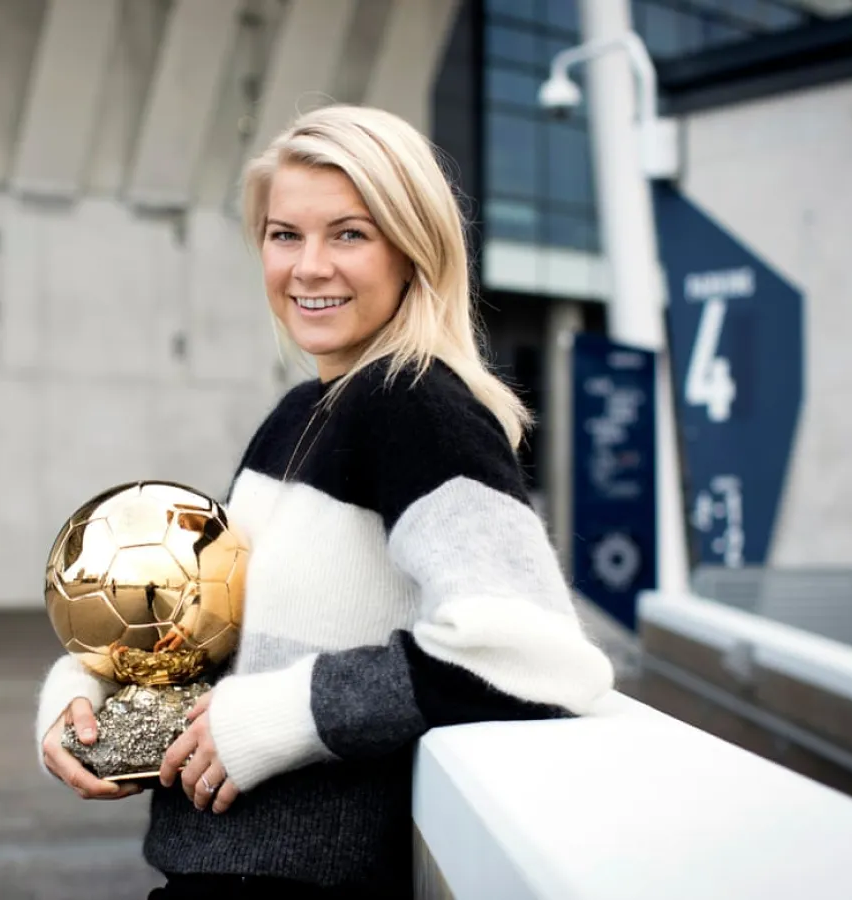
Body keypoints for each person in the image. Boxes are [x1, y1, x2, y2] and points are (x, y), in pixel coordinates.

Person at [37, 104, 616, 899]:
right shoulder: (297, 416)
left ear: (413, 250)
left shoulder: (418, 408)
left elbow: (530, 653)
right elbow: (222, 634)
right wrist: (89, 692)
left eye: (349, 233)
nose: (309, 267)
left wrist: (286, 719)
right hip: (215, 869)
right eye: (285, 235)